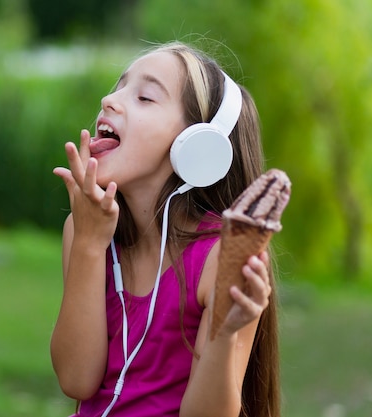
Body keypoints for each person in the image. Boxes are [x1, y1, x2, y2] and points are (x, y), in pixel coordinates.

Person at [50, 41, 280, 417]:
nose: (110, 100)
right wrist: (90, 245)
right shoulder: (84, 230)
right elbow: (76, 379)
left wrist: (227, 331)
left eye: (144, 97)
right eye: (119, 86)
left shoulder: (223, 255)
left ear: (195, 145)